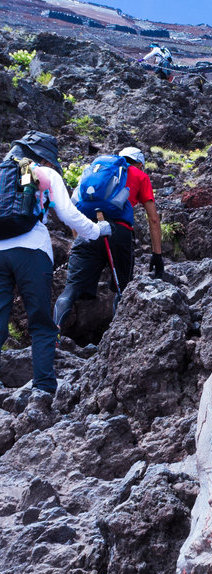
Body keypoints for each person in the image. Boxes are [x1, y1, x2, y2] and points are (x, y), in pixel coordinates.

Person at [0, 131, 111, 403]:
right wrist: (97, 231)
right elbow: (68, 213)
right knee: (40, 321)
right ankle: (44, 388)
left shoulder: (3, 174)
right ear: (46, 158)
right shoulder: (44, 173)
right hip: (33, 253)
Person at [54, 146, 165, 333]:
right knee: (123, 291)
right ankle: (116, 340)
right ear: (139, 164)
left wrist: (79, 240)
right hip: (119, 232)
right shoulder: (140, 175)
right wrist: (157, 254)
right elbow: (153, 218)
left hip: (88, 229)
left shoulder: (96, 172)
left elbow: (75, 206)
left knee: (71, 290)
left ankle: (51, 336)